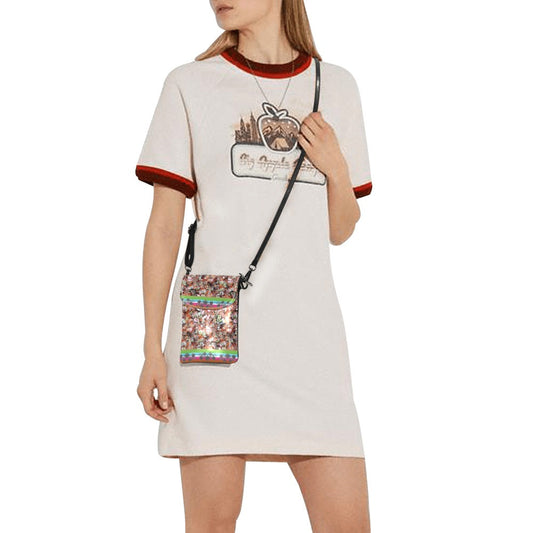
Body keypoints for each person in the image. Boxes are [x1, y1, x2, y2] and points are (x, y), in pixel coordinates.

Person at [135, 1, 373, 531]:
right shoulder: (190, 85)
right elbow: (164, 226)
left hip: (308, 335)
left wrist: (335, 167)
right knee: (211, 524)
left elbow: (341, 229)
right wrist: (151, 346)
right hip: (213, 323)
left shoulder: (336, 86)